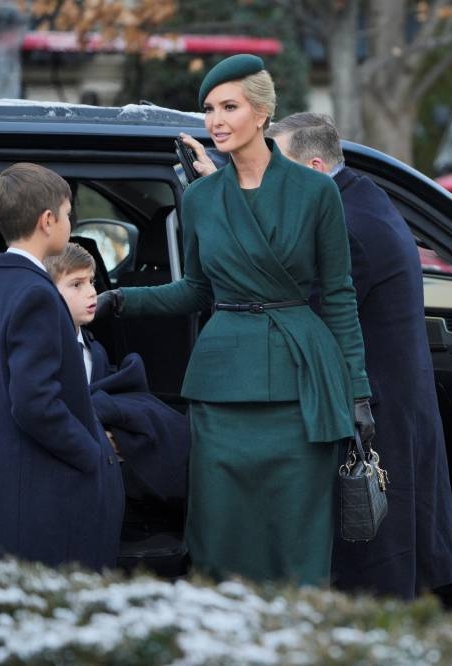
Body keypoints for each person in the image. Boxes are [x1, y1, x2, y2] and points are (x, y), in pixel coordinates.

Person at [95, 54, 374, 586]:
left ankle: (294, 633)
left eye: (229, 106)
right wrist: (119, 300)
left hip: (301, 387)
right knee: (221, 531)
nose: (215, 120)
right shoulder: (200, 198)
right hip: (222, 389)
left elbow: (338, 296)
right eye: (208, 109)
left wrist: (357, 393)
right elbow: (197, 290)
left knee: (295, 531)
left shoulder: (316, 192)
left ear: (263, 112)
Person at [258, 112, 452, 599]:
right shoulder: (357, 199)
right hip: (380, 403)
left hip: (369, 417)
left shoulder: (347, 227)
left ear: (310, 166)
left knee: (372, 570)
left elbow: (298, 318)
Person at [0, 163, 124, 570]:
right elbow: (35, 402)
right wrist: (91, 452)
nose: (70, 222)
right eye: (68, 214)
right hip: (36, 497)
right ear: (47, 220)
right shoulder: (36, 294)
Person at [45, 242, 190, 501]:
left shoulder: (95, 350)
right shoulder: (43, 351)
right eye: (76, 285)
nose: (91, 293)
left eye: (91, 282)